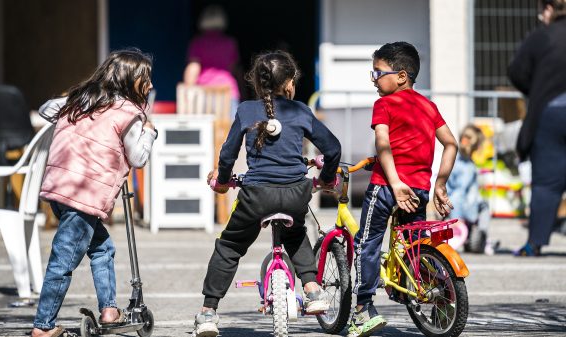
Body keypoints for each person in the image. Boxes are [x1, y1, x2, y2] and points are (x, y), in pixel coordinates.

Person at [192, 51, 342, 337]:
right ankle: (313, 291)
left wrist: (223, 181)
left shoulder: (247, 110)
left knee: (231, 246)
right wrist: (325, 179)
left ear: (258, 84)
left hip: (257, 195)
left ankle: (208, 313)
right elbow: (332, 148)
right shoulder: (300, 111)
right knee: (295, 233)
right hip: (296, 193)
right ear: (289, 83)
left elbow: (227, 155)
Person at [31, 49, 158, 337]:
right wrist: (149, 132)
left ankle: (109, 311)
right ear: (129, 80)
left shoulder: (82, 101)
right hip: (83, 197)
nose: (150, 85)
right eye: (145, 79)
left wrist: (82, 113)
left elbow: (47, 109)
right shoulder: (129, 114)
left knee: (102, 248)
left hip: (59, 190)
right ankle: (43, 327)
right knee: (63, 261)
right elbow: (137, 158)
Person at [349, 42, 458, 337]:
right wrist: (440, 183)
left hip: (387, 187)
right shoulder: (428, 105)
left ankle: (362, 309)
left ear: (401, 76)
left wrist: (395, 183)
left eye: (377, 72)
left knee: (367, 243)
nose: (373, 79)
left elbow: (382, 144)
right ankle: (422, 292)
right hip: (420, 189)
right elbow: (451, 143)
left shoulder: (384, 104)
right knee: (413, 247)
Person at [508, 0, 566, 257]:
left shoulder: (541, 36)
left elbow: (516, 71)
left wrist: (538, 87)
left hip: (550, 113)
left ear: (550, 9)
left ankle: (535, 243)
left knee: (546, 182)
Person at [183, 4, 241, 119]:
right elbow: (234, 68)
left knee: (204, 131)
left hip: (204, 94)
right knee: (233, 131)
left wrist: (186, 94)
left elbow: (193, 68)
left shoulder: (198, 42)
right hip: (228, 92)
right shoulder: (230, 43)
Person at [446, 125, 492, 253]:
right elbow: (460, 192)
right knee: (485, 206)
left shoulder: (456, 161)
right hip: (464, 207)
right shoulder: (467, 167)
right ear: (477, 147)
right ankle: (483, 235)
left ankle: (472, 236)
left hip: (453, 203)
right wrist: (457, 217)